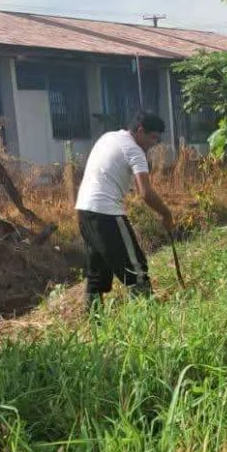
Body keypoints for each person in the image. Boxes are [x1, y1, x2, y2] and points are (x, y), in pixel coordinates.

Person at [75, 113, 174, 309]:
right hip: (106, 214)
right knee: (135, 267)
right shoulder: (134, 150)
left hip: (84, 211)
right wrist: (166, 214)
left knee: (97, 270)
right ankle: (149, 316)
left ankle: (94, 322)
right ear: (140, 131)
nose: (153, 144)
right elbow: (145, 193)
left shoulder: (109, 137)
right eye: (152, 138)